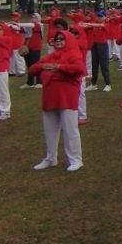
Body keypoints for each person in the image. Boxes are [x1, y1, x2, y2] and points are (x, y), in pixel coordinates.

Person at [27, 28, 85, 172]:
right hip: (50, 96)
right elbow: (32, 69)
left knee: (70, 129)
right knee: (49, 129)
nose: (58, 42)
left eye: (61, 39)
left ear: (69, 40)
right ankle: (51, 157)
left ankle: (75, 159)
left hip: (67, 96)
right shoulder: (50, 56)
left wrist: (58, 67)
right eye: (56, 39)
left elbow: (78, 69)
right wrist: (43, 66)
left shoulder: (74, 53)